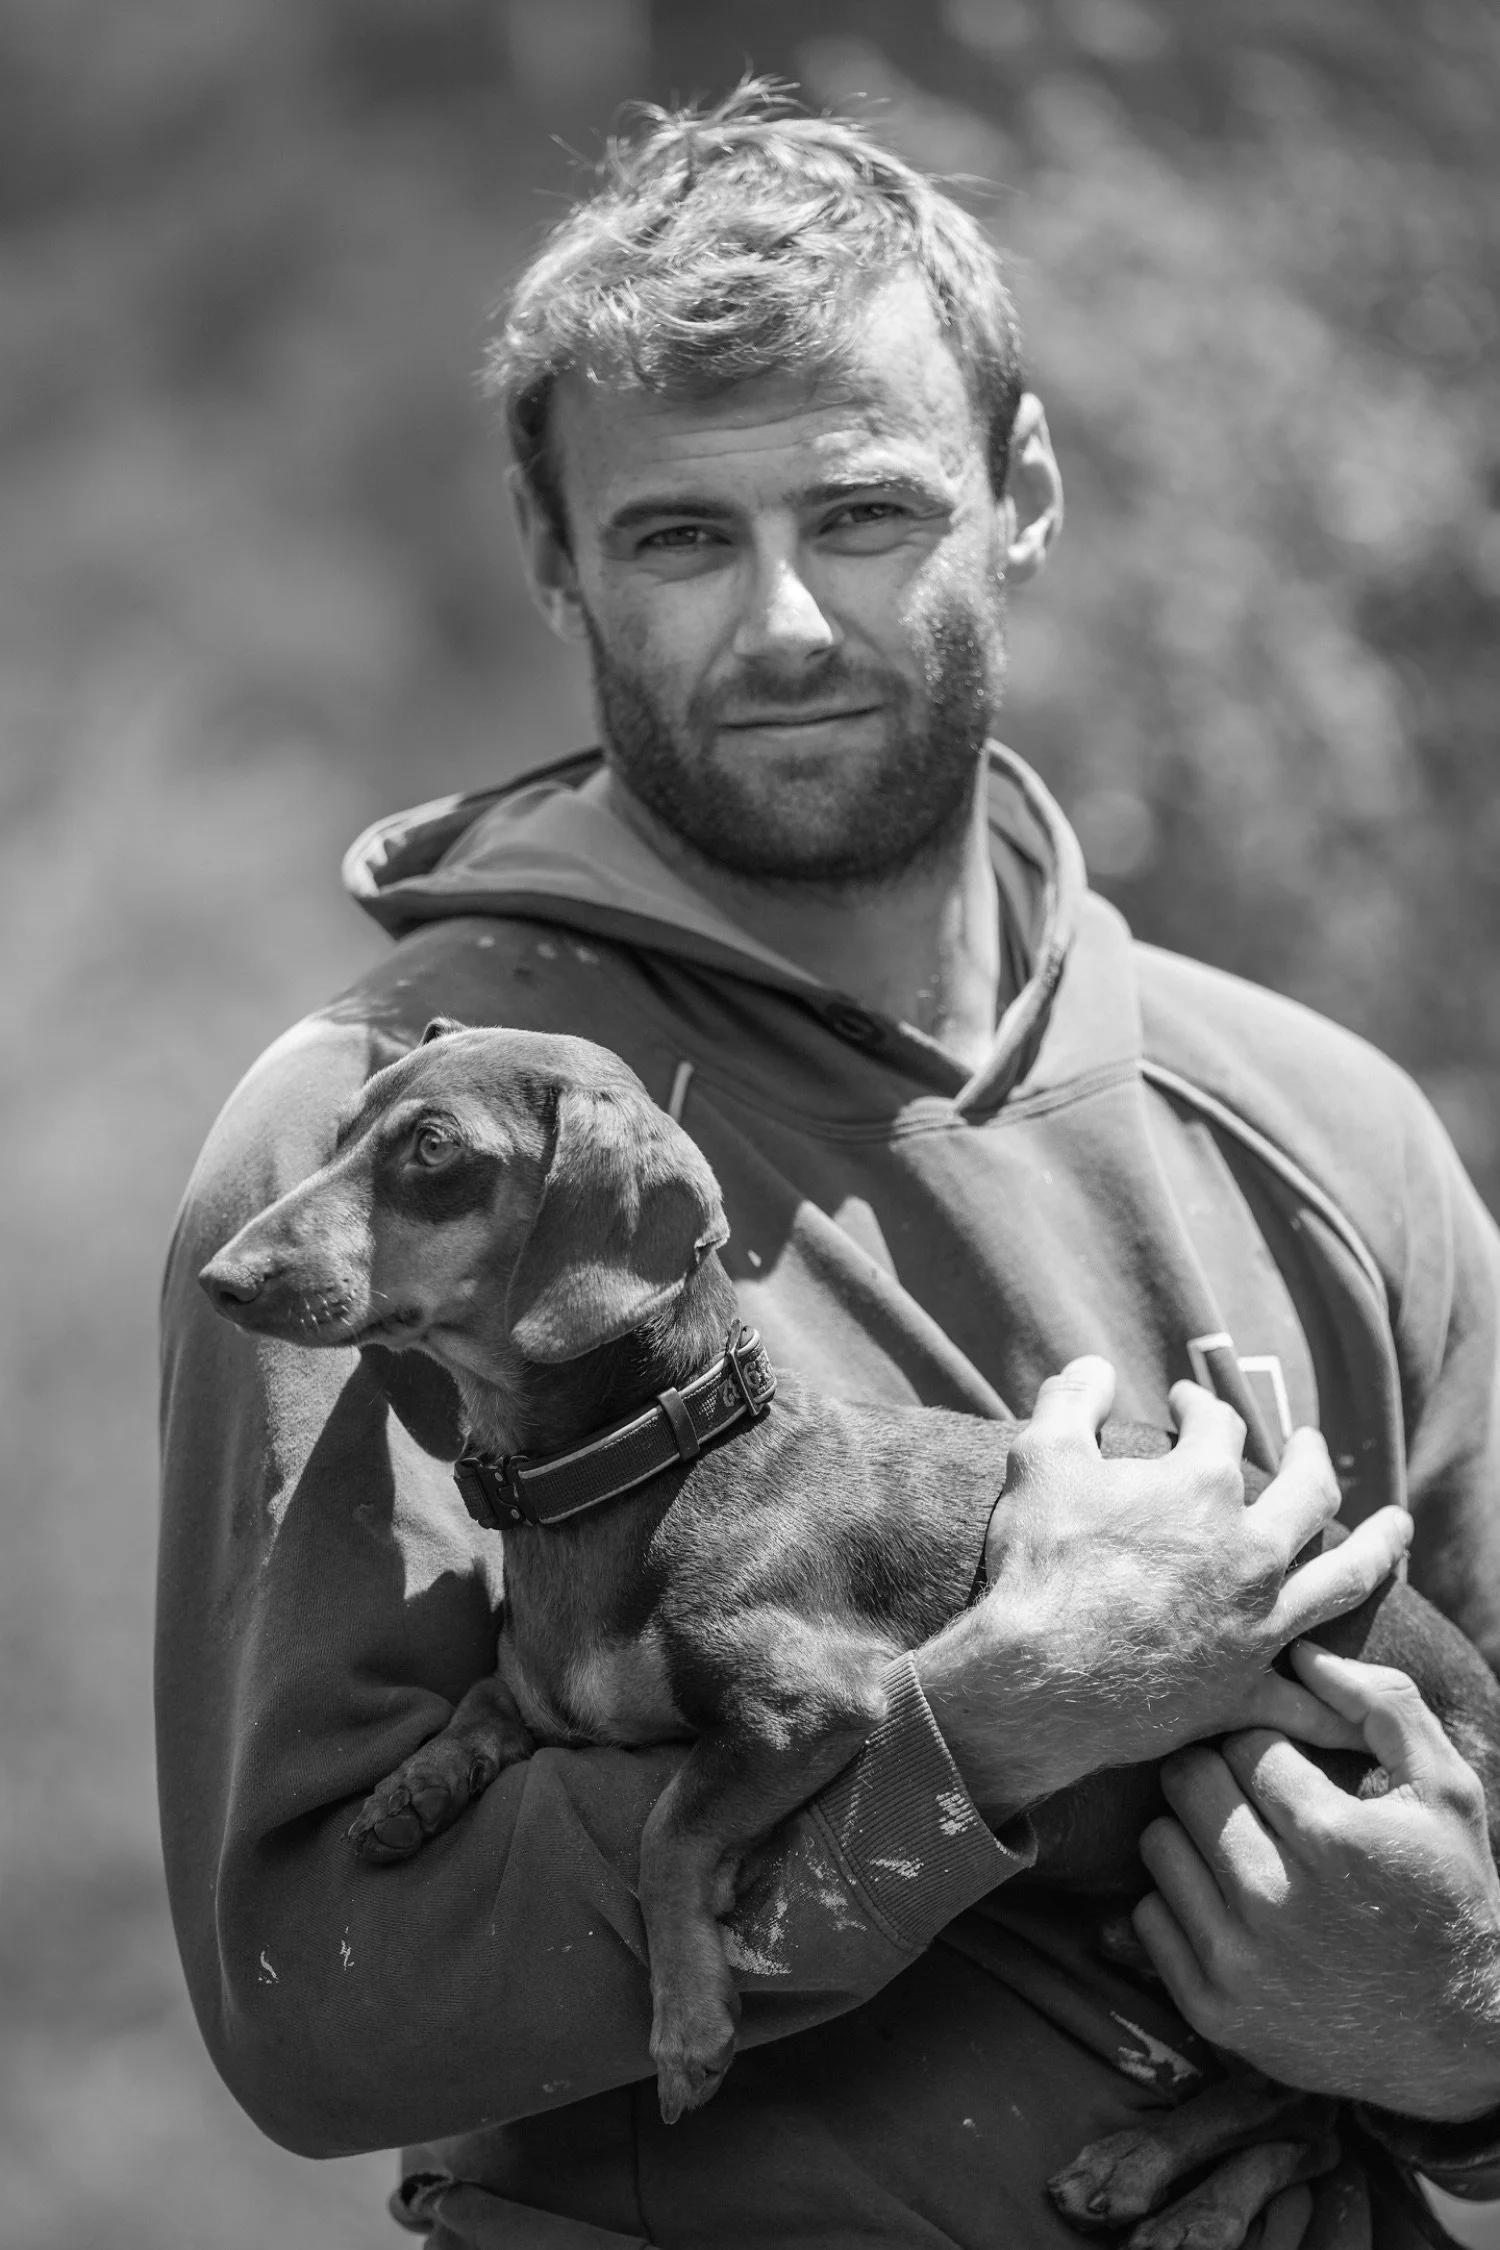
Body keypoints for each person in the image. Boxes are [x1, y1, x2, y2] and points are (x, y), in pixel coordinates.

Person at [156, 84, 1500, 2248]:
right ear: (553, 554)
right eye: (683, 536)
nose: (784, 621)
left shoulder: (1333, 1137)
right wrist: (977, 1734)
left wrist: (1454, 2035)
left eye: (864, 514)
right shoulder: (379, 1157)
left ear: (1020, 492)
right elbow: (323, 1997)